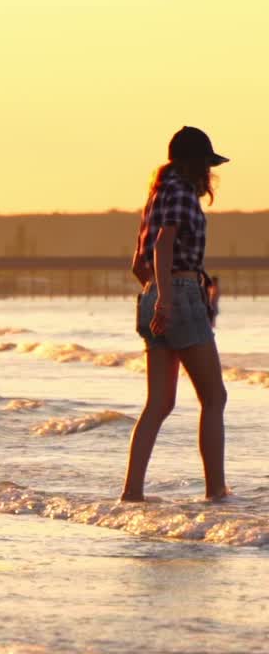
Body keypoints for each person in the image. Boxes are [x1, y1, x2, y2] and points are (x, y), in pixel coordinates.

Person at [122, 126, 231, 503]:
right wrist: (169, 299)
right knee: (214, 397)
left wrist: (156, 294)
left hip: (156, 293)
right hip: (178, 295)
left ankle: (132, 492)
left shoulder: (156, 196)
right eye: (206, 164)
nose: (208, 173)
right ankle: (216, 491)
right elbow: (164, 245)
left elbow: (140, 262)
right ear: (195, 164)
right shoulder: (182, 194)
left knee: (159, 403)